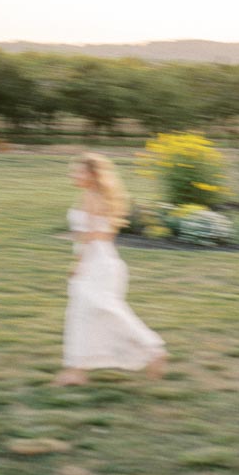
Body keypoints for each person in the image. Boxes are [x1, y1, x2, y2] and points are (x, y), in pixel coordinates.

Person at [54, 152, 167, 387]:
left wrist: (78, 263)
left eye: (79, 171)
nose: (73, 175)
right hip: (103, 260)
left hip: (96, 264)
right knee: (85, 313)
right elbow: (103, 234)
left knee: (100, 311)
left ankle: (152, 348)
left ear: (92, 175)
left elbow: (93, 235)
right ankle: (77, 370)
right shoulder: (96, 196)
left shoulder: (92, 198)